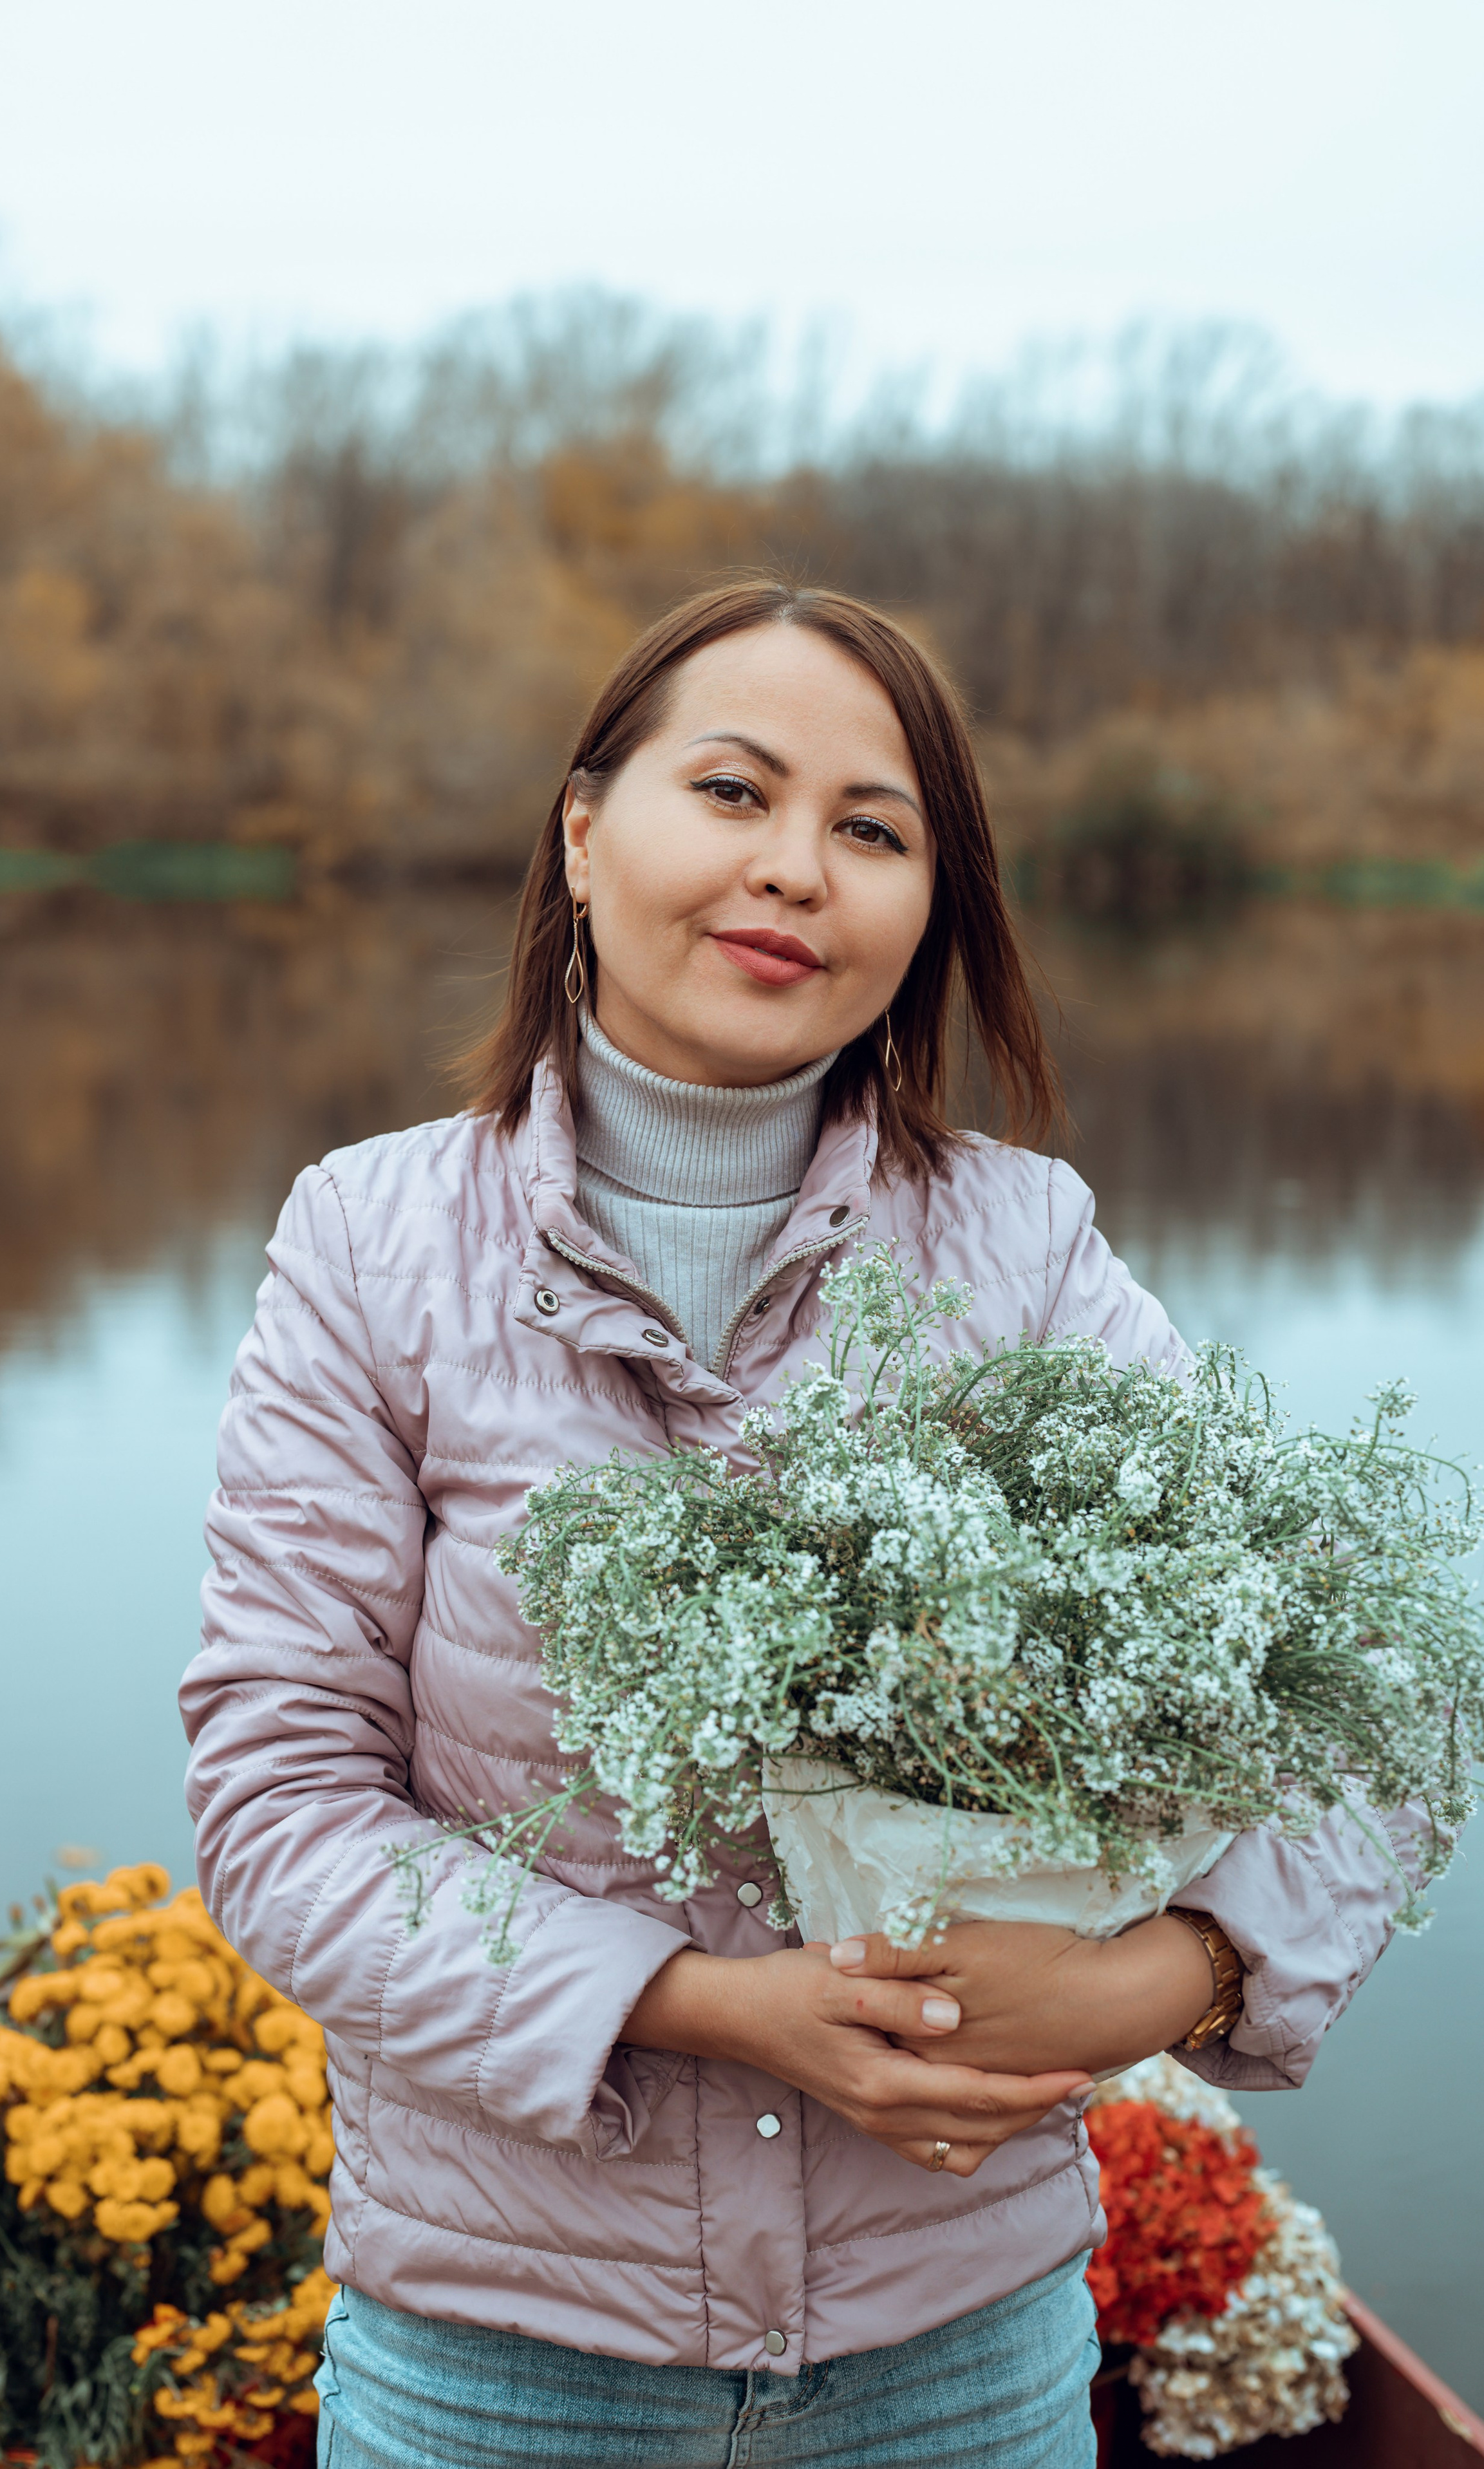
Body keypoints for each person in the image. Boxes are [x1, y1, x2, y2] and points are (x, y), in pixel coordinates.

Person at [181, 582, 1429, 2468]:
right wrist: (711, 2005)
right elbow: (281, 1807)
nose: (795, 871)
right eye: (735, 791)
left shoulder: (1019, 1252)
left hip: (959, 2362)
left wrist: (1160, 1977)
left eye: (870, 828)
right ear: (585, 835)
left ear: (931, 907)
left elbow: (1377, 1703)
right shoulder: (371, 1248)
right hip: (497, 2370)